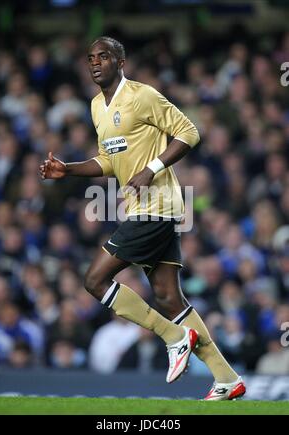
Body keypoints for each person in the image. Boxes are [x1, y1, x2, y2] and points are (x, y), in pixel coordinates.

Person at [40, 36, 246, 399]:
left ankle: (174, 337)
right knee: (168, 298)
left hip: (158, 205)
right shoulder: (95, 107)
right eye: (90, 58)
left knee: (94, 280)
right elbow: (107, 160)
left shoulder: (143, 95)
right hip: (145, 209)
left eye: (104, 56)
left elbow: (189, 132)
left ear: (121, 61)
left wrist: (151, 168)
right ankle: (227, 377)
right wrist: (67, 169)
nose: (95, 63)